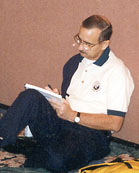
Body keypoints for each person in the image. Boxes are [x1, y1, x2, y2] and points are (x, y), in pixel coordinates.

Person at [0, 15, 134, 173]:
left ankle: (36, 149)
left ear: (105, 44)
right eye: (80, 39)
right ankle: (4, 138)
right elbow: (68, 102)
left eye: (88, 44)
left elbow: (115, 123)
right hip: (63, 124)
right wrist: (55, 100)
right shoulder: (74, 63)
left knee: (56, 161)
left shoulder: (117, 72)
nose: (80, 47)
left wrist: (74, 115)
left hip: (91, 135)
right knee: (30, 96)